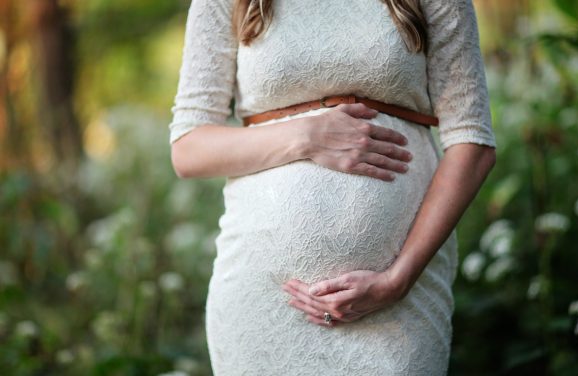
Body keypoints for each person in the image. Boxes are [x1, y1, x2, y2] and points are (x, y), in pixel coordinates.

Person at [168, 0, 497, 374]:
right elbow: (188, 148)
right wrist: (307, 136)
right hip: (261, 301)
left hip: (400, 304)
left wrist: (398, 279)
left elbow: (473, 143)